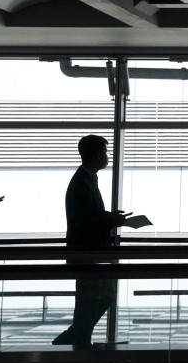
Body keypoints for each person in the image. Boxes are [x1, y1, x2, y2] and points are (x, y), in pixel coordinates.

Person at [53, 135, 131, 347]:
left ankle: (79, 338)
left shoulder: (85, 179)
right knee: (101, 295)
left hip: (87, 253)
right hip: (86, 253)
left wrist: (108, 216)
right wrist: (110, 220)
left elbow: (88, 214)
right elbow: (86, 221)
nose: (107, 157)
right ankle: (77, 337)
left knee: (92, 298)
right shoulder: (83, 182)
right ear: (96, 154)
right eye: (105, 152)